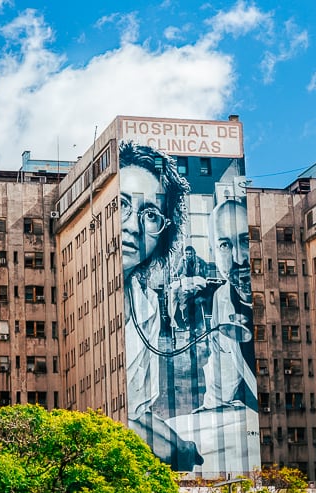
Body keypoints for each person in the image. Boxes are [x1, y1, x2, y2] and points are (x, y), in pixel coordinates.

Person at [119, 141, 202, 471]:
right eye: (121, 205)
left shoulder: (147, 306)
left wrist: (180, 446)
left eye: (150, 214)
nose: (132, 226)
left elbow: (136, 411)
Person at [199, 199, 257, 410]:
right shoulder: (221, 299)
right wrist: (209, 410)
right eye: (225, 245)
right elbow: (222, 375)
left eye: (245, 241)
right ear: (213, 253)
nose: (238, 257)